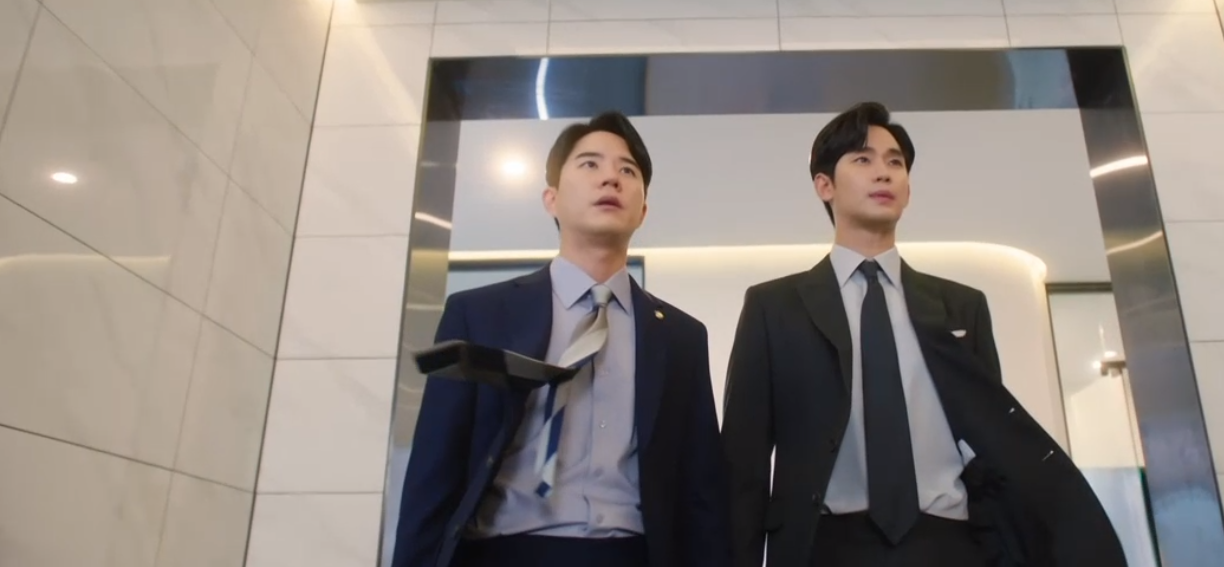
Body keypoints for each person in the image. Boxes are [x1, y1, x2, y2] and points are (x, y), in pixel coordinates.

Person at [721, 102, 1127, 567]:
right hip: (825, 545)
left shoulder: (961, 306)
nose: (884, 172)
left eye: (895, 163)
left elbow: (990, 445)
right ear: (824, 185)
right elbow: (744, 466)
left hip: (951, 544)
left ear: (908, 190)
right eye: (863, 159)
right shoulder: (775, 308)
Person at [394, 112, 731, 567]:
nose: (611, 177)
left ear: (643, 211)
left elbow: (701, 490)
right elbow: (434, 472)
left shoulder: (680, 336)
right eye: (590, 164)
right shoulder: (479, 313)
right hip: (504, 550)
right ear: (551, 199)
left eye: (627, 170)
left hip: (631, 553)